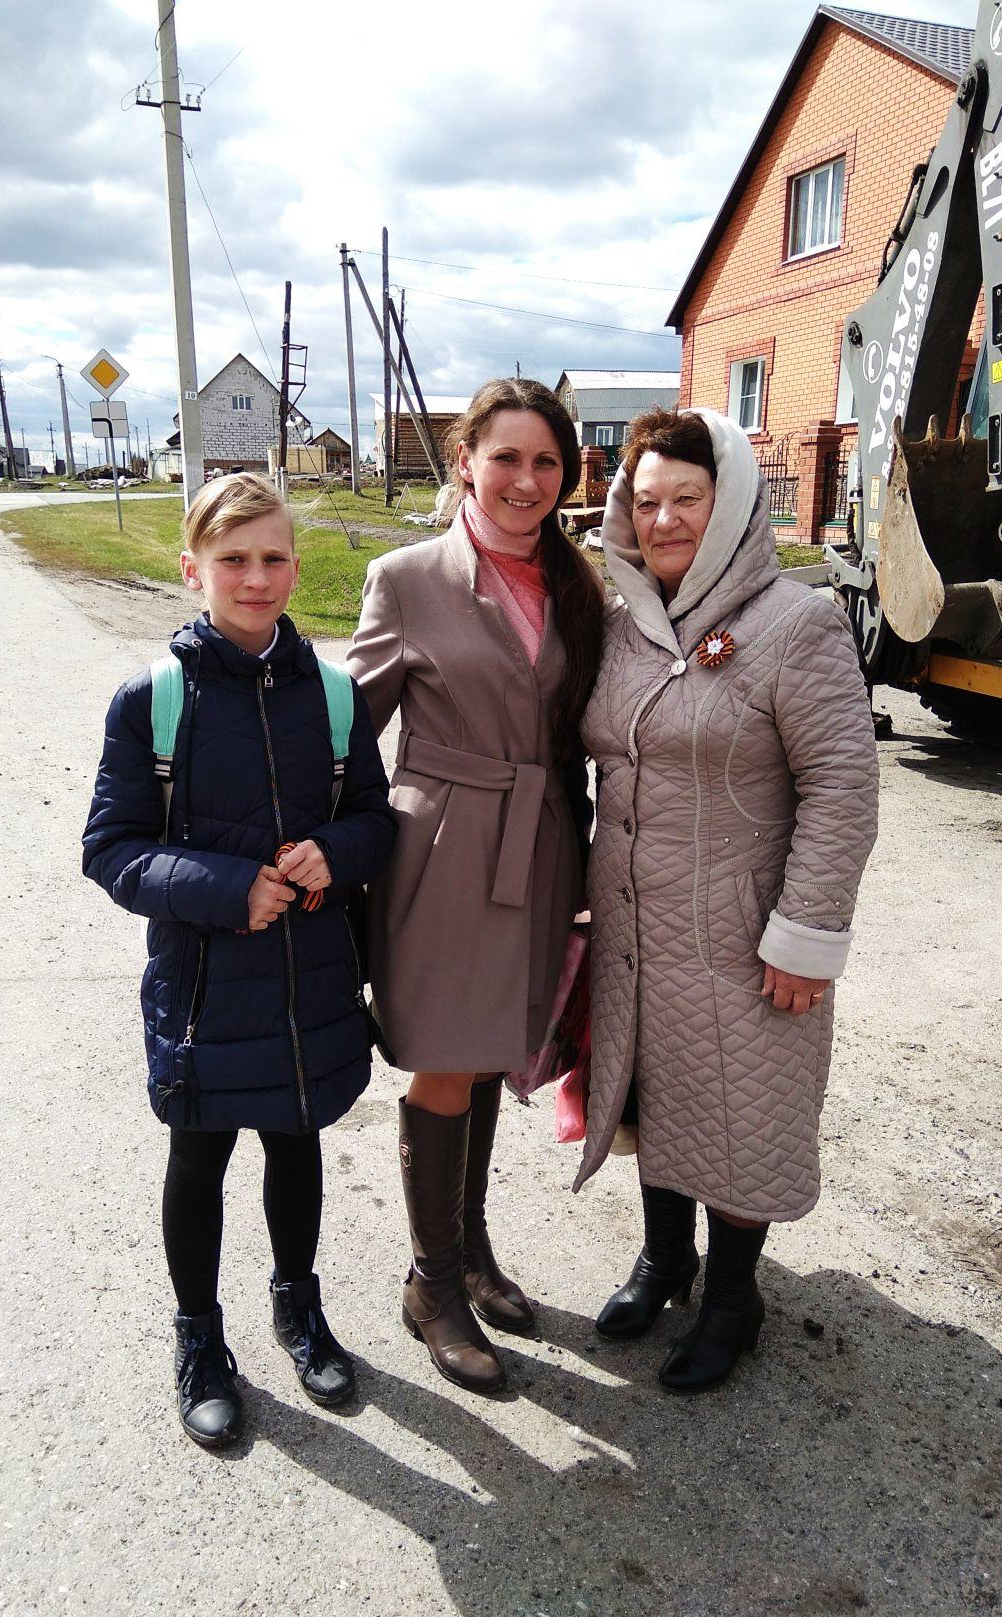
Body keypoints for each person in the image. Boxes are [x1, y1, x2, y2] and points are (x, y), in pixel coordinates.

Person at [83, 473, 395, 1447]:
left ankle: (299, 1306)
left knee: (296, 1146)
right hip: (205, 993)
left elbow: (375, 820)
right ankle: (199, 1337)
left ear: (297, 567)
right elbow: (112, 850)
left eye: (272, 558)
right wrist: (228, 888)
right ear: (193, 570)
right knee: (200, 1156)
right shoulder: (155, 701)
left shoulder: (335, 697)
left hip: (311, 985)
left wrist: (334, 853)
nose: (254, 578)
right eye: (232, 560)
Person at [575, 407, 879, 1392]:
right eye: (645, 501)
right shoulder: (624, 626)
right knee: (654, 1096)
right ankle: (665, 1259)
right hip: (636, 927)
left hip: (743, 933)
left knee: (744, 1114)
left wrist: (808, 932)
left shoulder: (796, 624)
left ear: (735, 503)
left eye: (687, 499)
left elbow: (842, 783)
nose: (663, 520)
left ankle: (734, 1298)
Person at [346, 378, 603, 1394]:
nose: (525, 480)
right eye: (506, 458)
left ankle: (472, 1250)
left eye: (546, 462)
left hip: (541, 845)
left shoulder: (578, 585)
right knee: (446, 1059)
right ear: (465, 463)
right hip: (444, 846)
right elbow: (346, 734)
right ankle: (432, 1285)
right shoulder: (405, 578)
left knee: (495, 1050)